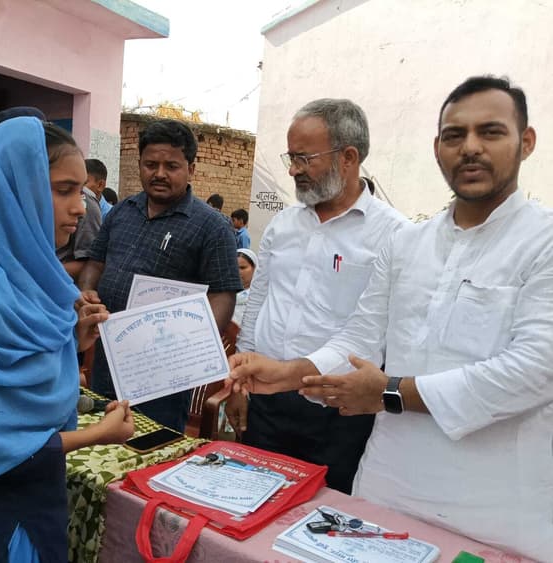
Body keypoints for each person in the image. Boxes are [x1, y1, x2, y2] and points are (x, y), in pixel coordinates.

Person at [228, 76, 553, 559]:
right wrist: (289, 373)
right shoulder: (408, 244)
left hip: (495, 507)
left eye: (490, 131)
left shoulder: (543, 241)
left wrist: (389, 393)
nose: (470, 147)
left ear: (525, 142)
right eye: (454, 135)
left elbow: (535, 370)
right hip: (388, 485)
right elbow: (361, 335)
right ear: (437, 149)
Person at [0, 117, 134, 562]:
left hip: (38, 494)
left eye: (82, 192)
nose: (80, 208)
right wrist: (99, 434)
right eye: (63, 190)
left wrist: (74, 340)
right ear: (14, 192)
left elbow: (22, 377)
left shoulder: (36, 280)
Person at [227, 99, 407, 494]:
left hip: (339, 411)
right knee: (250, 499)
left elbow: (372, 333)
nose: (293, 170)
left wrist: (294, 376)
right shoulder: (283, 225)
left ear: (348, 157)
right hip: (267, 401)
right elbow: (258, 304)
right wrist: (240, 386)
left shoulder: (394, 234)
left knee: (322, 515)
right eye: (291, 157)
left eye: (304, 158)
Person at [79, 118, 242, 431]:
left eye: (171, 166)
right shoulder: (122, 211)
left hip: (163, 376)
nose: (159, 174)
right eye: (151, 164)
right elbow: (95, 263)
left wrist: (193, 342)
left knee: (152, 447)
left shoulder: (212, 227)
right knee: (101, 440)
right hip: (108, 358)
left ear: (191, 168)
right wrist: (87, 292)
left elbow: (223, 293)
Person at [232, 248, 256, 326]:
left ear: (255, 269)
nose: (238, 272)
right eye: (234, 268)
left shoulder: (259, 297)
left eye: (242, 268)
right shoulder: (224, 296)